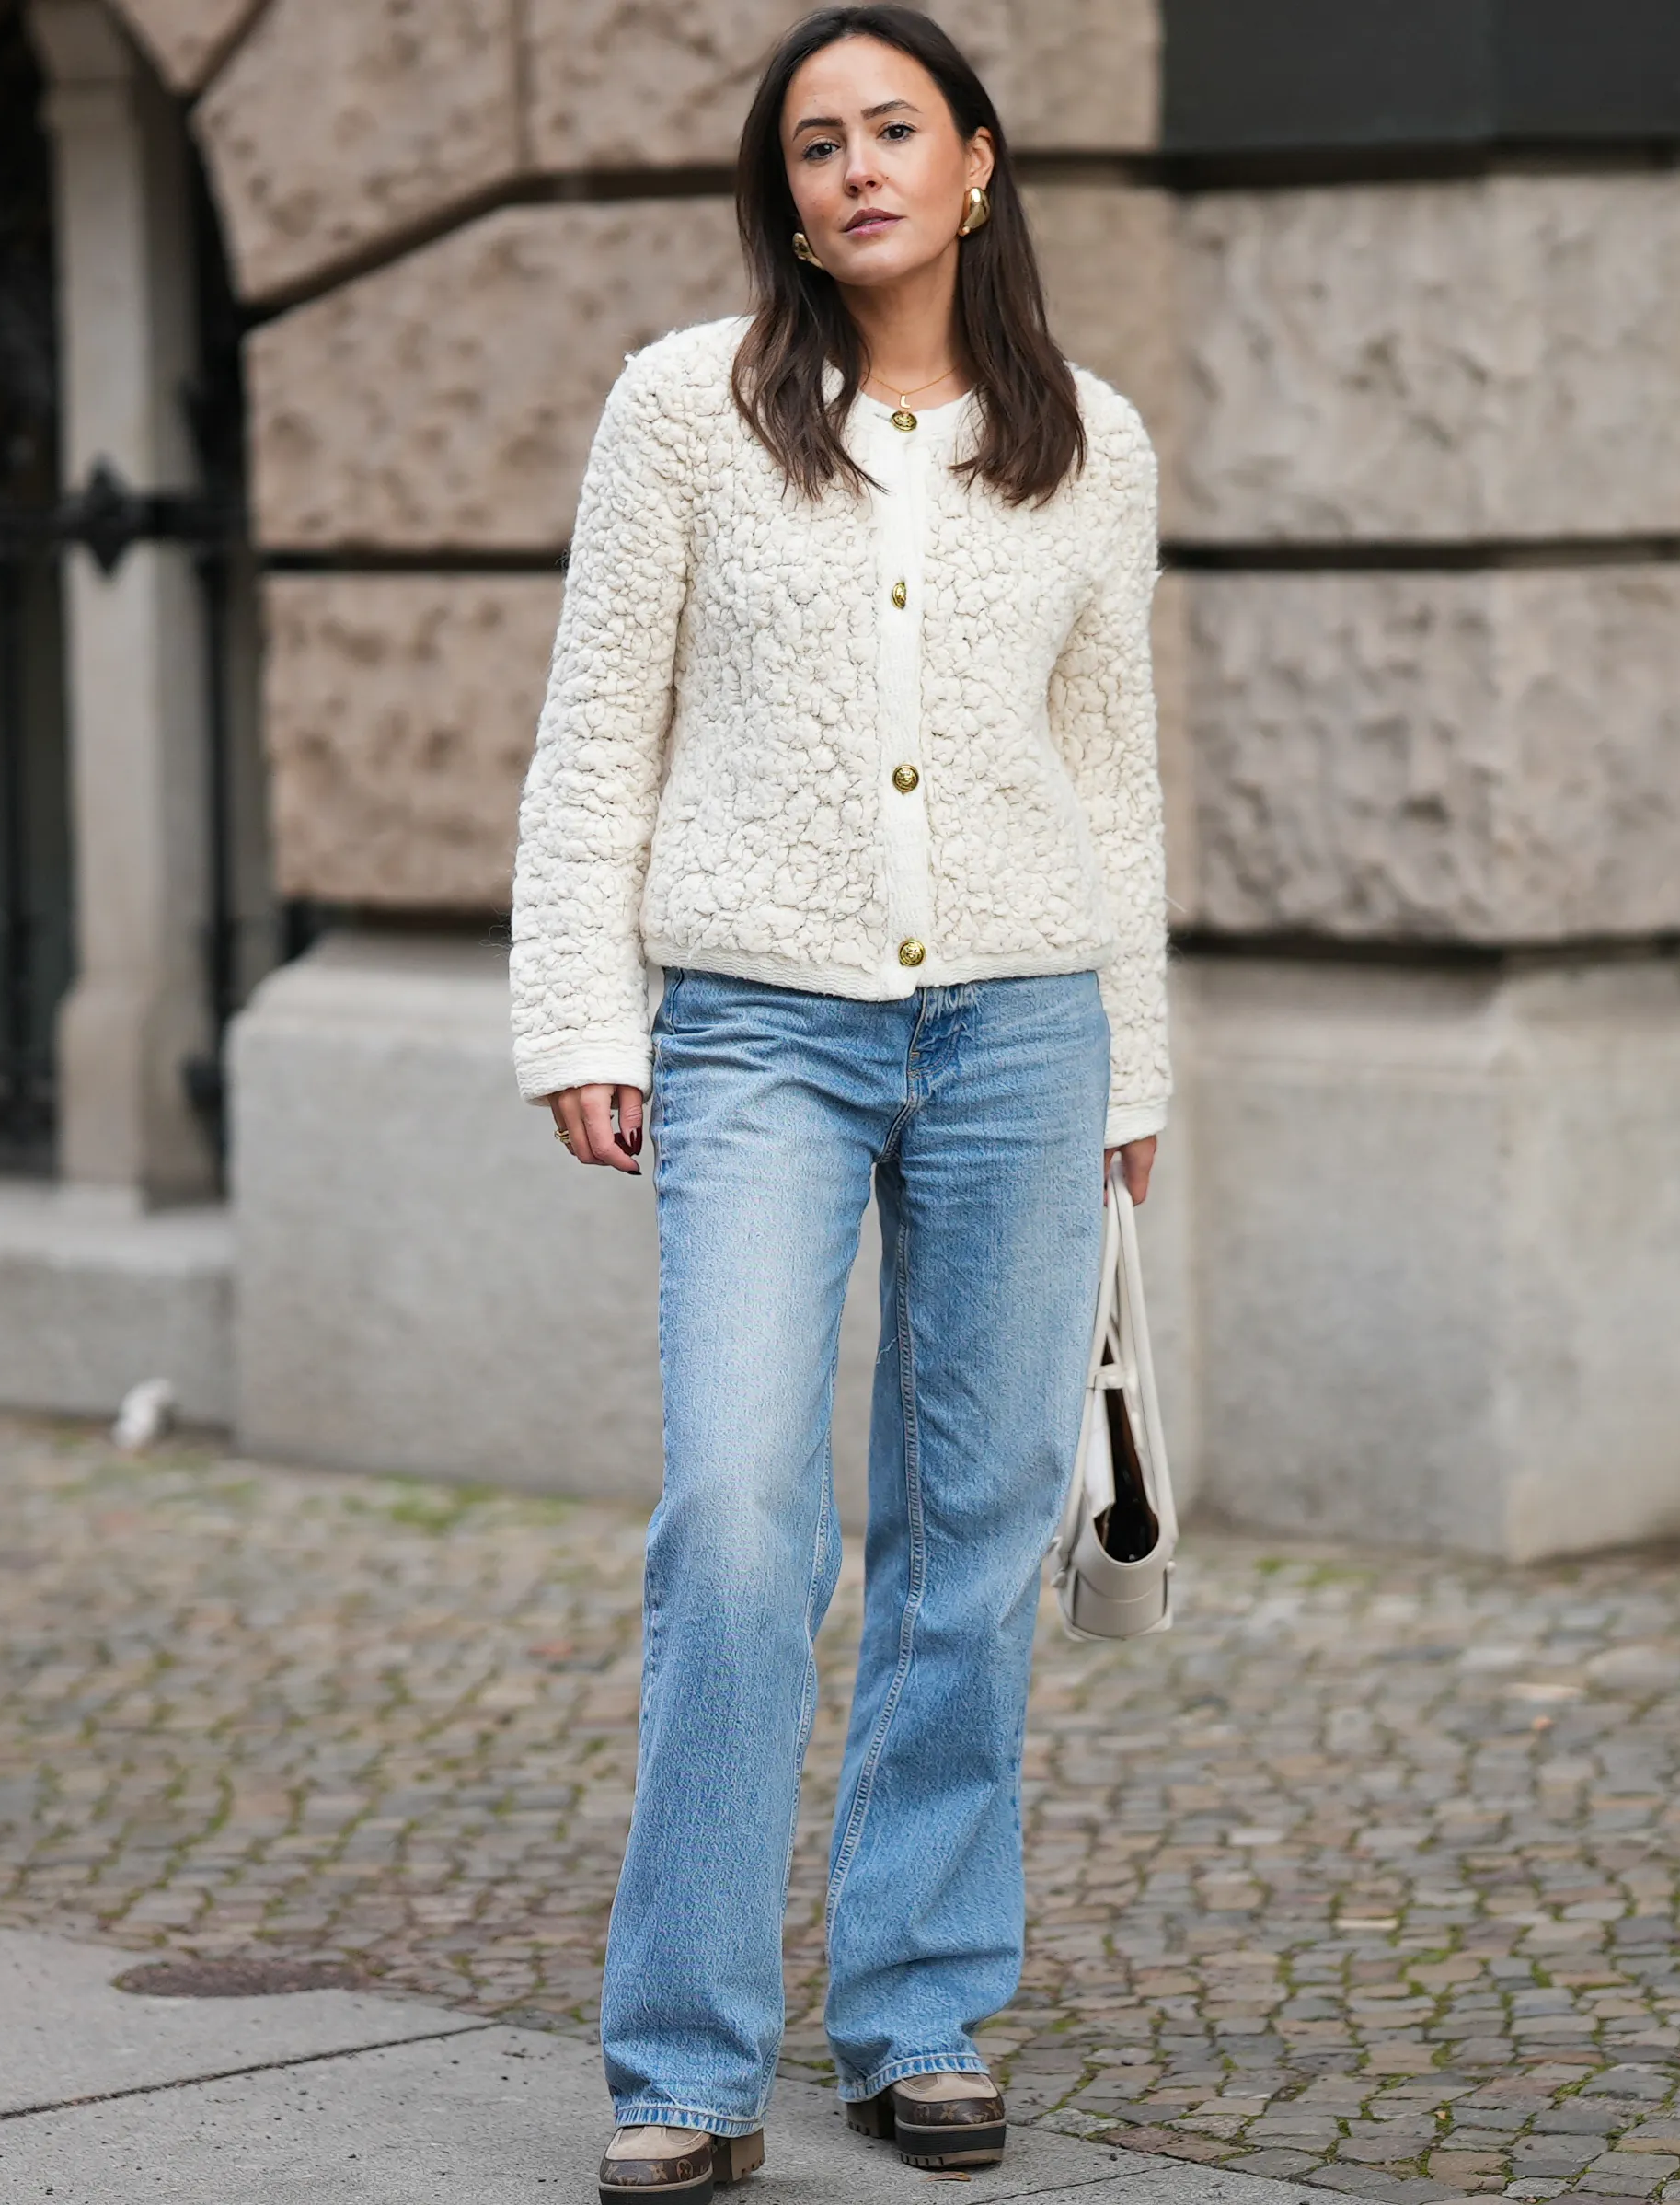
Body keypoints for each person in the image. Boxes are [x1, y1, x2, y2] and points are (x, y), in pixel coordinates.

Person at [506, 6, 1168, 2196]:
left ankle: (916, 2013)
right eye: (814, 140)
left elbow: (1117, 786)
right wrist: (582, 1019)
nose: (854, 167)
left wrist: (1129, 1073)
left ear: (976, 164)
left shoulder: (1092, 443)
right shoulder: (683, 410)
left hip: (1019, 1029)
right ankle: (681, 2063)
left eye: (894, 127)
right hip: (757, 1034)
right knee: (736, 1523)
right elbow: (598, 726)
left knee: (967, 1545)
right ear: (779, 190)